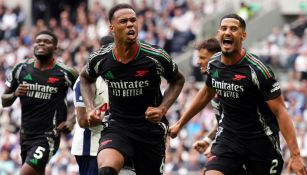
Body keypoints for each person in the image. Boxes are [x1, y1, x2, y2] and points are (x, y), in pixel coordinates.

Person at [169, 14, 307, 175]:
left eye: (234, 29)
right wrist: (180, 123)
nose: (228, 32)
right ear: (218, 33)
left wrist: (295, 154)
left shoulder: (258, 70)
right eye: (224, 28)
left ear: (243, 36)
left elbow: (280, 111)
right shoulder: (213, 64)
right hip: (229, 138)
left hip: (260, 142)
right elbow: (207, 92)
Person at [79, 3, 185, 175]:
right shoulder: (101, 59)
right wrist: (90, 108)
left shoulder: (155, 56)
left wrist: (162, 108)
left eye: (133, 20)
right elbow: (85, 78)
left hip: (149, 129)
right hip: (118, 125)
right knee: (106, 170)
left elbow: (178, 80)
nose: (130, 24)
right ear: (112, 28)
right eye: (124, 21)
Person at [1, 30, 78, 175]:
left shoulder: (66, 72)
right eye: (38, 41)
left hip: (48, 137)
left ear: (55, 48)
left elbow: (86, 95)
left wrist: (73, 120)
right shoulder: (20, 69)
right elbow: (4, 101)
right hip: (25, 136)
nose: (41, 43)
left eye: (47, 41)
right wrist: (15, 94)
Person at [190, 38, 247, 175]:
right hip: (227, 144)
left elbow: (236, 120)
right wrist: (209, 139)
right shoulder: (215, 81)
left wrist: (218, 146)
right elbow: (225, 120)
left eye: (202, 57)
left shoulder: (232, 85)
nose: (198, 62)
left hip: (247, 146)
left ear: (216, 56)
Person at [71, 35, 113, 175]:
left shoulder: (120, 77)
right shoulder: (87, 79)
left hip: (114, 144)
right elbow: (82, 120)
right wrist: (110, 109)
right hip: (90, 147)